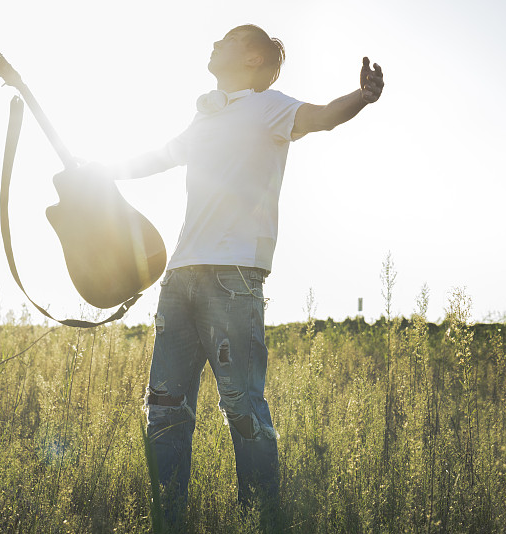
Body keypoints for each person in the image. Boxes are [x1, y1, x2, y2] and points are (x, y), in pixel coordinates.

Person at [62, 23, 383, 528]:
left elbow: (321, 118)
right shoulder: (205, 118)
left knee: (243, 410)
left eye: (229, 40)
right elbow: (159, 157)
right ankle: (168, 521)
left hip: (233, 278)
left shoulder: (269, 107)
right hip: (180, 278)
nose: (215, 43)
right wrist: (100, 170)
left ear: (254, 59)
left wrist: (361, 97)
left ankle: (260, 519)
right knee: (165, 411)